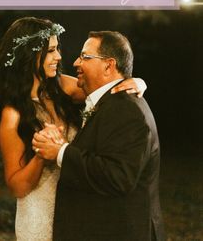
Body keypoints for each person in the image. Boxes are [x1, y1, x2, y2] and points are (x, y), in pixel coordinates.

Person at [0, 17, 147, 241]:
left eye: (58, 48)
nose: (59, 57)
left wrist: (138, 82)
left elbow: (106, 88)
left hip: (78, 210)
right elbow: (17, 187)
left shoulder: (63, 87)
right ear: (30, 55)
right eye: (51, 50)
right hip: (39, 215)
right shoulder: (13, 115)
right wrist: (42, 155)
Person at [33, 31, 165, 241]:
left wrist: (61, 153)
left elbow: (118, 176)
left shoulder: (126, 109)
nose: (76, 62)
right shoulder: (107, 102)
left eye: (85, 57)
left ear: (109, 65)